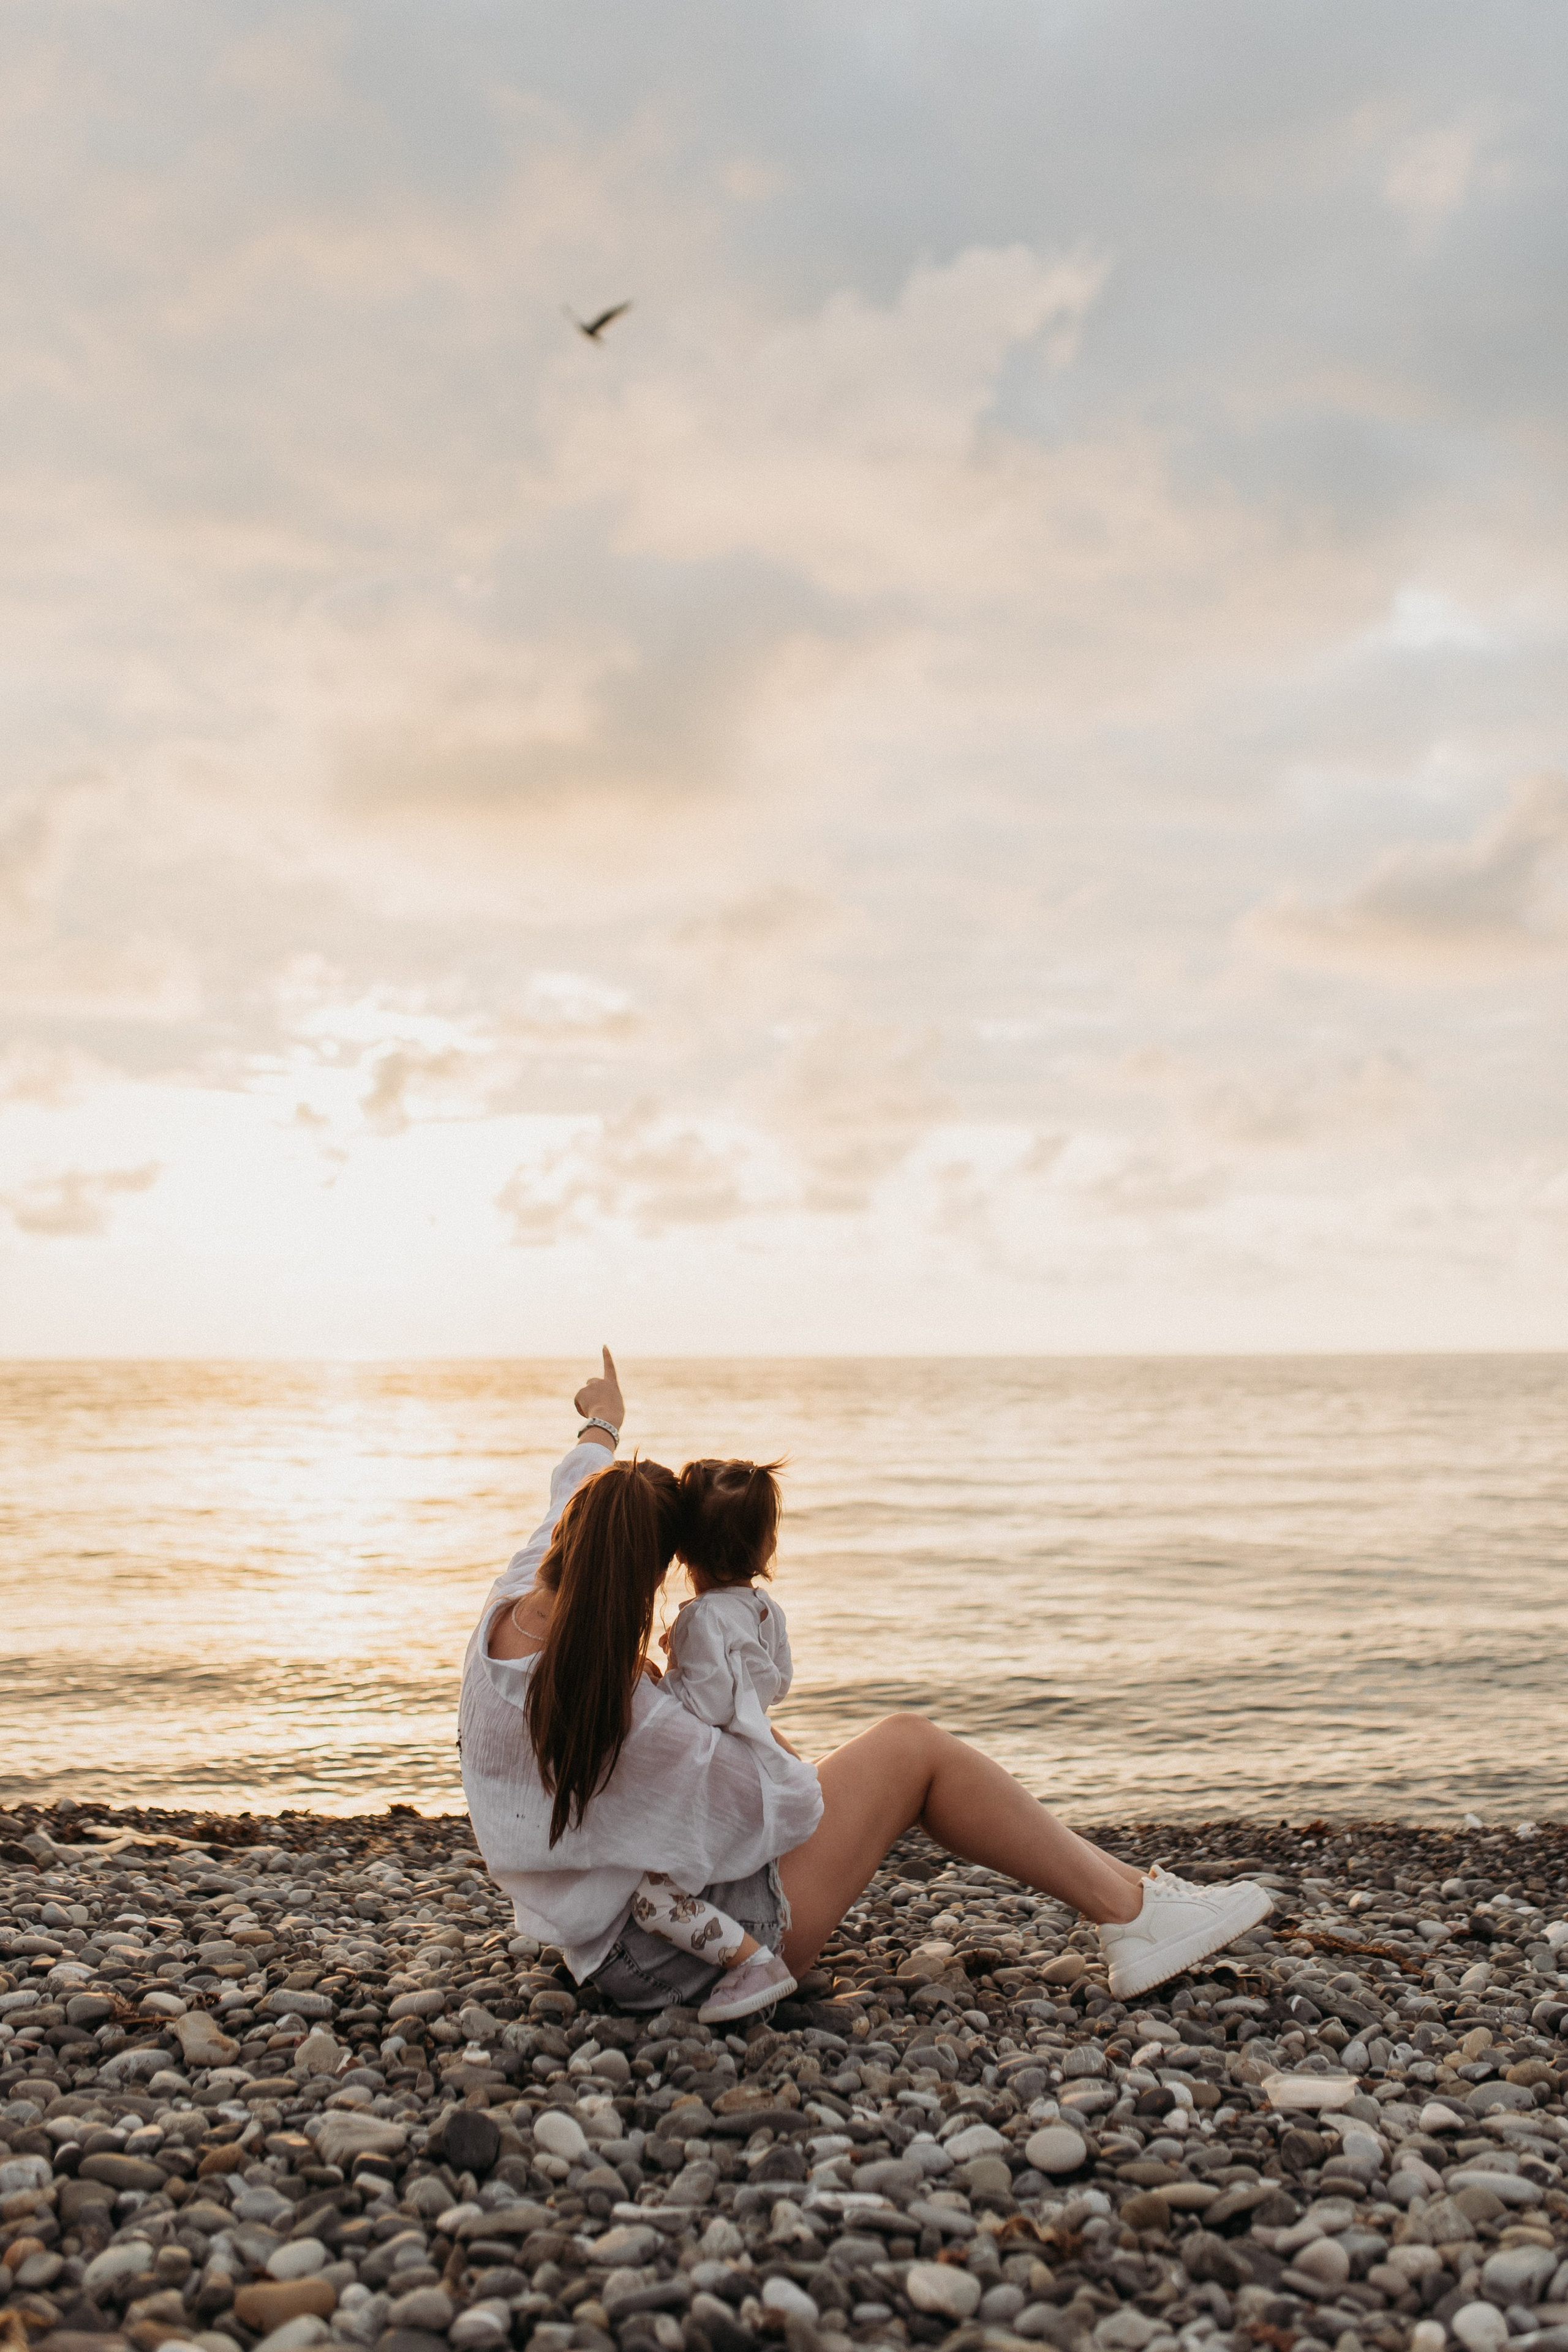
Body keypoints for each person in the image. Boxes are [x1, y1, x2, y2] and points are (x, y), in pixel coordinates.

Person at [459, 1350, 1271, 2014]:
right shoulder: (631, 1714)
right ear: (651, 1574)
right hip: (671, 1959)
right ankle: (1134, 1917)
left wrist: (601, 1420)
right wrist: (753, 1721)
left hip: (597, 1940)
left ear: (570, 1537)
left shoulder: (516, 1597)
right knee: (911, 1751)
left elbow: (578, 1474)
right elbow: (786, 1810)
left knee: (889, 1758)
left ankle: (1141, 1894)